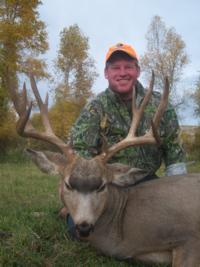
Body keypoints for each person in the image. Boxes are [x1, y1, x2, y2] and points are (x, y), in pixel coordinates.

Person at [69, 42, 187, 177]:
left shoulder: (160, 103)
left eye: (128, 67)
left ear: (138, 71)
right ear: (106, 73)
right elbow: (80, 152)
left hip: (150, 182)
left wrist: (176, 185)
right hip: (110, 185)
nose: (122, 73)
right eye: (115, 68)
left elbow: (174, 149)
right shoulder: (95, 108)